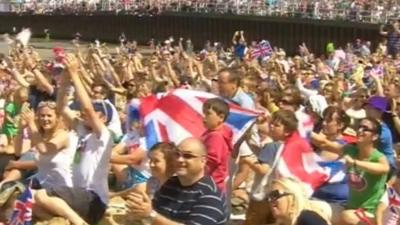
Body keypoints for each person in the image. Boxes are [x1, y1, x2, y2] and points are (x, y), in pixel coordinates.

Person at [126, 137, 227, 225]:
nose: (180, 159)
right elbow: (156, 215)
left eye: (187, 156)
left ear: (203, 161)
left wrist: (151, 215)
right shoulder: (170, 184)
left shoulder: (209, 194)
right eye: (177, 154)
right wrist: (139, 211)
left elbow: (154, 216)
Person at [201, 97, 233, 192]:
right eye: (204, 113)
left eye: (208, 114)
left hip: (210, 186)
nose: (204, 117)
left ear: (221, 117)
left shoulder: (216, 136)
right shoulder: (212, 133)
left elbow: (210, 162)